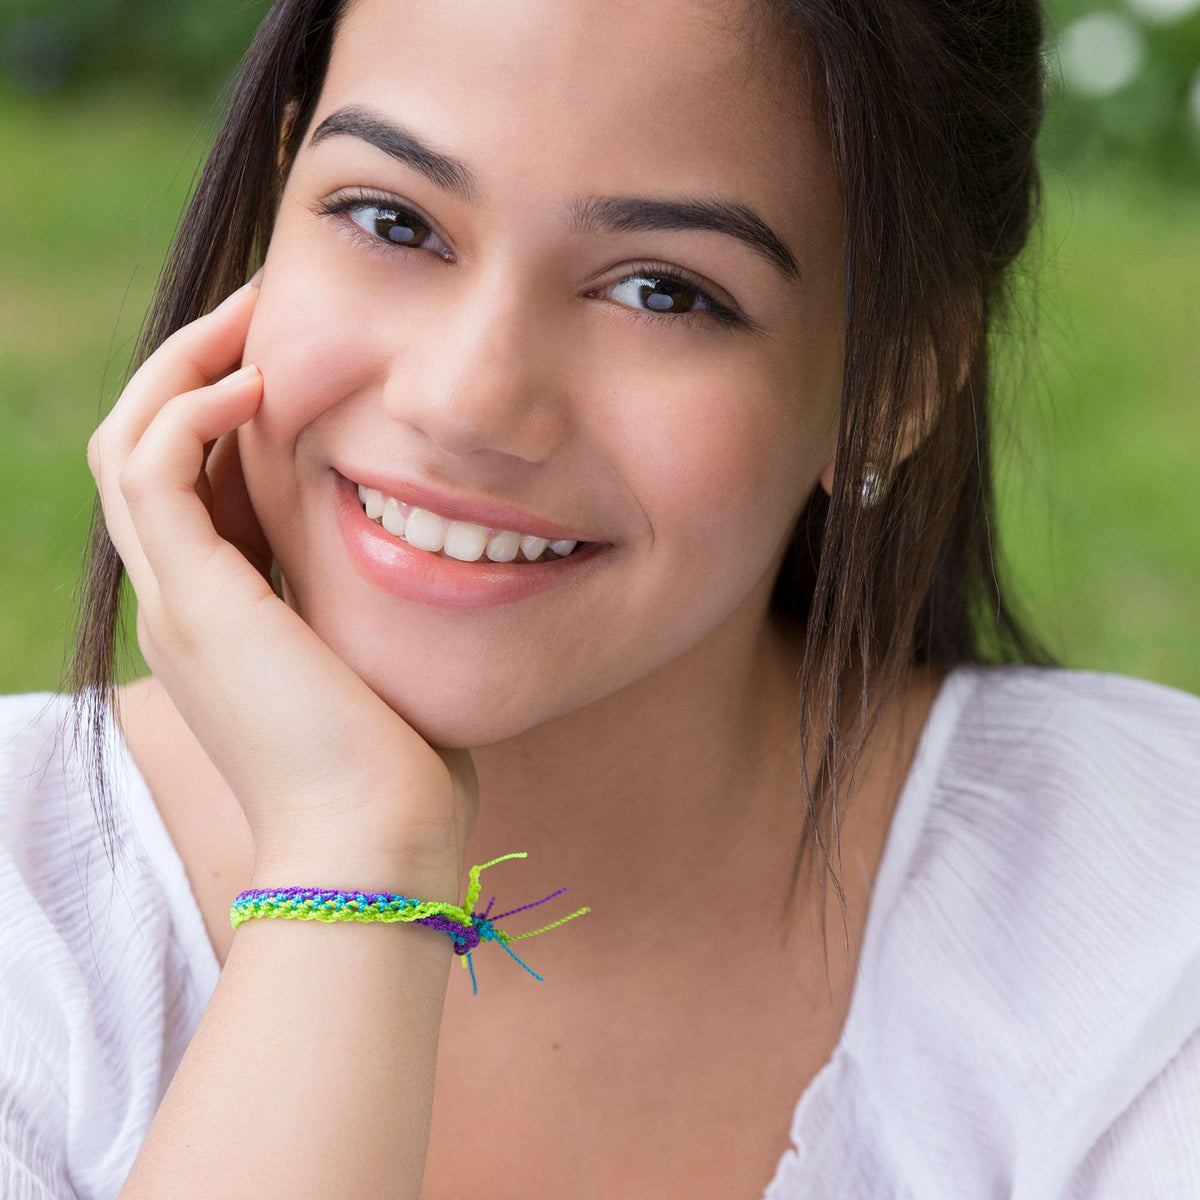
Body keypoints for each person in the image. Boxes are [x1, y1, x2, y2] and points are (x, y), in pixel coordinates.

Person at [2, 0, 1198, 1195]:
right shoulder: (31, 922)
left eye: (665, 292)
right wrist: (353, 850)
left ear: (887, 387)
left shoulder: (1144, 931)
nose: (467, 402)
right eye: (391, 218)